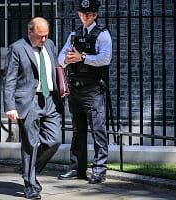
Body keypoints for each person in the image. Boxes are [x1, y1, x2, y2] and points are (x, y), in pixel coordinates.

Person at [3, 17, 63, 199]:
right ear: (30, 32)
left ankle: (29, 170)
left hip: (50, 100)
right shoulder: (17, 48)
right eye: (40, 36)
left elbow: (55, 68)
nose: (44, 40)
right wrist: (10, 106)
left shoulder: (50, 45)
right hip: (28, 102)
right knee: (30, 144)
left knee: (54, 140)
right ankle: (30, 184)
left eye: (46, 36)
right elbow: (9, 79)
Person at [57, 0, 112, 184]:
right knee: (78, 130)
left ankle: (99, 170)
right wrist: (69, 59)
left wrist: (83, 57)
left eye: (88, 14)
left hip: (93, 89)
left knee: (98, 130)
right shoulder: (74, 34)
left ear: (95, 14)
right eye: (82, 13)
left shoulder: (102, 35)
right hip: (75, 88)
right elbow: (60, 58)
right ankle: (77, 168)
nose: (84, 16)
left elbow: (105, 58)